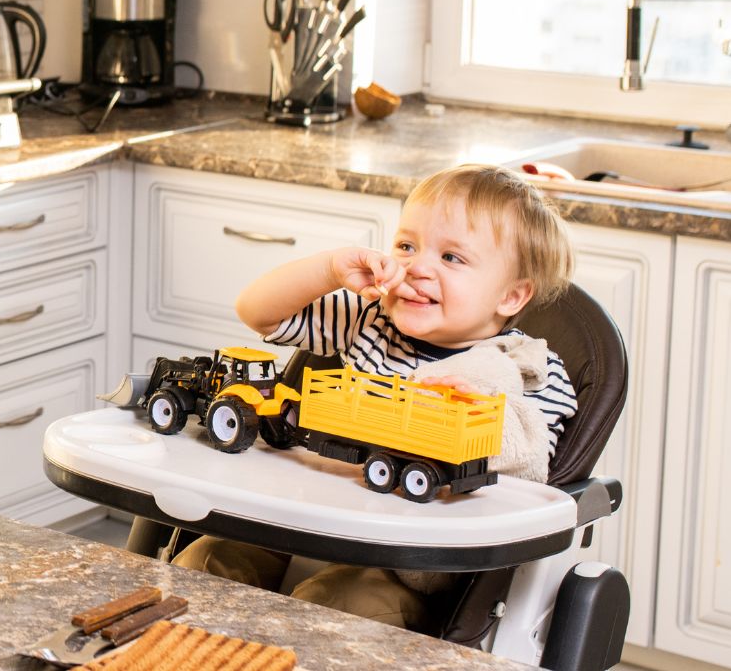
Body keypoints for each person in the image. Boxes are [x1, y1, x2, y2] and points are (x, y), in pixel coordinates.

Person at [173, 164, 579, 629]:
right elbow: (256, 311)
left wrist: (483, 416)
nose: (418, 267)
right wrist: (328, 268)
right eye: (407, 246)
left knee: (339, 605)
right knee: (206, 562)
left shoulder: (526, 369)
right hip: (307, 513)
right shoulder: (369, 322)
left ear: (511, 296)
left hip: (405, 562)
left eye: (452, 258)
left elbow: (534, 472)